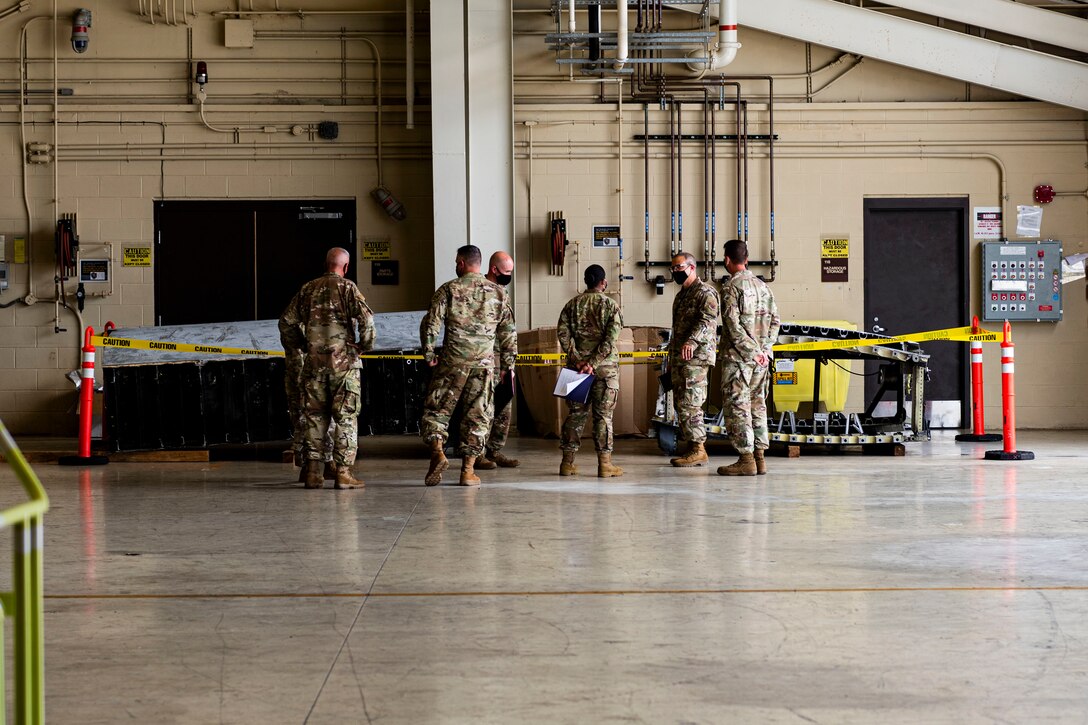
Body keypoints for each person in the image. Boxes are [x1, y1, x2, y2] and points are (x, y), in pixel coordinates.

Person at [278, 247, 375, 489]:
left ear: (325, 263)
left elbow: (286, 322)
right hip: (343, 366)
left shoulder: (308, 289)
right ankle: (343, 472)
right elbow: (367, 321)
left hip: (313, 367)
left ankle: (312, 472)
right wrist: (363, 346)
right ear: (346, 267)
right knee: (346, 417)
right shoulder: (347, 288)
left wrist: (302, 344)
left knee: (314, 417)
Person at [421, 245, 517, 486]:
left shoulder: (449, 289)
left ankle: (438, 453)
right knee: (478, 416)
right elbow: (508, 334)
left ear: (462, 263)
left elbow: (430, 324)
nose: (455, 265)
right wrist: (507, 365)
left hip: (453, 362)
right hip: (484, 365)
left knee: (437, 412)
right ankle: (468, 471)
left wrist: (429, 352)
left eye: (456, 261)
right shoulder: (499, 294)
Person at [717, 239, 781, 476]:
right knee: (757, 405)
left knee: (738, 407)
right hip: (761, 362)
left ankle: (745, 459)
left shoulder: (731, 288)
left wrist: (752, 353)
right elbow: (776, 321)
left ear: (727, 260)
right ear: (746, 258)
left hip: (739, 360)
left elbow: (732, 328)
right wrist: (764, 351)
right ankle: (760, 458)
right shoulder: (764, 287)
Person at [556, 264, 624, 478]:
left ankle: (567, 464)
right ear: (603, 283)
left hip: (575, 371)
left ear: (586, 281)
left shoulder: (571, 305)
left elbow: (562, 335)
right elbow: (610, 340)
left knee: (574, 415)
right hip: (605, 371)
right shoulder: (611, 306)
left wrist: (577, 360)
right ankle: (605, 465)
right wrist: (593, 363)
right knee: (603, 417)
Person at [667, 251, 720, 467]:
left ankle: (699, 449)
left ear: (691, 267)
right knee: (681, 403)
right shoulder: (681, 295)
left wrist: (691, 342)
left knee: (691, 402)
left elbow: (707, 320)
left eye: (678, 268)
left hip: (696, 357)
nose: (675, 272)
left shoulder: (705, 292)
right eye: (673, 269)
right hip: (681, 358)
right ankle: (692, 445)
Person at [475, 250, 521, 470]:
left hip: (500, 361)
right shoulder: (477, 291)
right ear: (494, 270)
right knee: (483, 410)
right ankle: (478, 454)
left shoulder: (503, 294)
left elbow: (508, 332)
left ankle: (494, 451)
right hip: (482, 361)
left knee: (504, 409)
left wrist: (508, 366)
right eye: (506, 272)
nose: (509, 275)